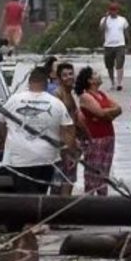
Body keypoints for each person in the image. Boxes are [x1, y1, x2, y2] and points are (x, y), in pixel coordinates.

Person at [0, 66, 75, 195]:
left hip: (18, 158)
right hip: (46, 158)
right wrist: (68, 153)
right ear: (46, 84)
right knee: (41, 193)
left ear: (29, 83)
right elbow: (69, 129)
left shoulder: (14, 99)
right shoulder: (56, 103)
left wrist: (6, 140)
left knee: (22, 195)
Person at [74, 66, 121, 195]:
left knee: (104, 173)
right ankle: (90, 202)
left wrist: (107, 113)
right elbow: (101, 113)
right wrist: (108, 113)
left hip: (108, 135)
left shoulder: (101, 94)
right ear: (90, 80)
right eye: (95, 73)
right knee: (93, 173)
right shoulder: (86, 96)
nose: (99, 74)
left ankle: (102, 199)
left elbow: (119, 108)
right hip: (95, 138)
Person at [53, 62, 85, 196]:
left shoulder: (71, 94)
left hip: (72, 143)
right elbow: (58, 122)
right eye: (65, 75)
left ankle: (62, 212)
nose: (69, 77)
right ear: (59, 79)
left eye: (71, 74)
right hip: (63, 145)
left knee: (69, 180)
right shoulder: (57, 95)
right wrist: (67, 146)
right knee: (60, 182)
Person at [99, 2, 129, 91]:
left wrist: (128, 43)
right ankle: (112, 82)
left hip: (120, 45)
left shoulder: (122, 20)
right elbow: (101, 29)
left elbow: (126, 31)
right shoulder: (104, 20)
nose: (113, 12)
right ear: (108, 11)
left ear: (117, 11)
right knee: (109, 65)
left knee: (119, 64)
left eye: (115, 10)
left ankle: (119, 83)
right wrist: (106, 18)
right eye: (111, 10)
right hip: (108, 45)